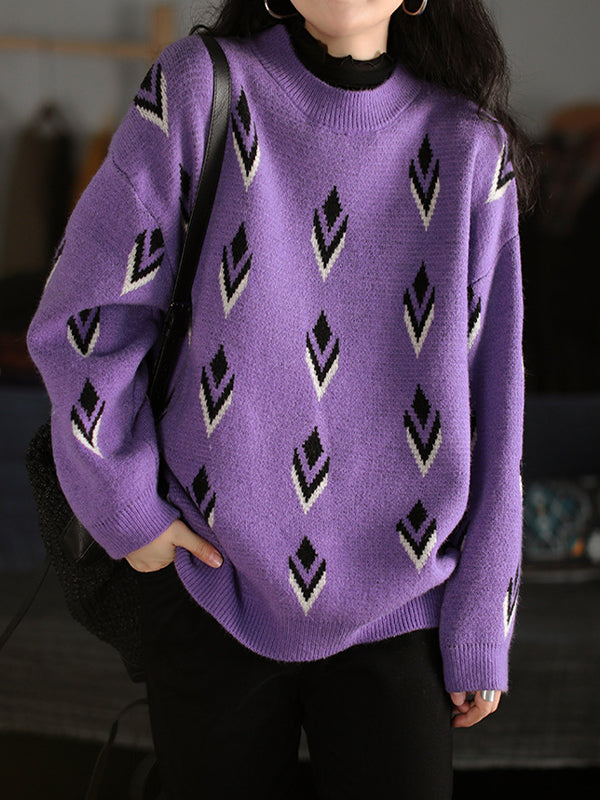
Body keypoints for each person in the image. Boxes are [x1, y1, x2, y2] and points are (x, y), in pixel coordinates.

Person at [27, 0, 535, 797]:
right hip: (210, 583)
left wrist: (482, 619)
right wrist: (128, 507)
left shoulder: (470, 148)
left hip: (406, 608)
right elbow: (84, 315)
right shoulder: (198, 91)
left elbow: (496, 402)